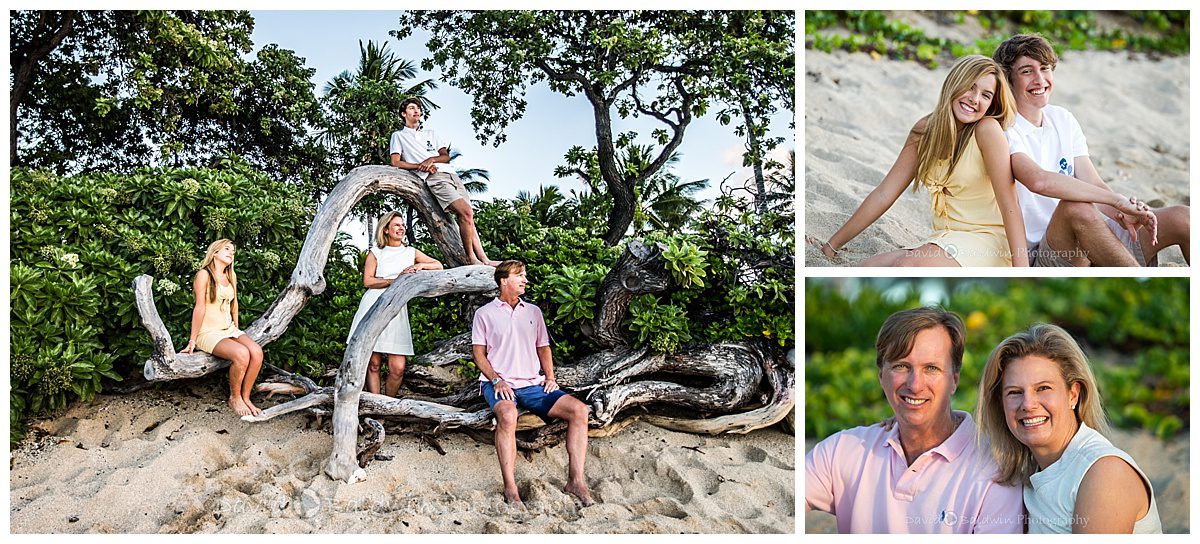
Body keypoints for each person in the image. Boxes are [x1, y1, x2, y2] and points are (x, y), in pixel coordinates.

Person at [805, 307, 1023, 533]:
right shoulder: (842, 450)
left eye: (931, 368)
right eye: (901, 366)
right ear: (881, 375)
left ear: (954, 379)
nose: (915, 385)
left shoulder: (998, 475)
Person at [807, 55, 1028, 266]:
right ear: (954, 84)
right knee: (867, 267)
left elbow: (1011, 205)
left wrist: (1022, 271)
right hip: (945, 237)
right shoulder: (924, 130)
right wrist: (831, 246)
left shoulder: (987, 130)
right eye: (970, 87)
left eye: (986, 95)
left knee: (908, 265)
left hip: (987, 239)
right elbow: (884, 193)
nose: (974, 99)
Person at [992, 33, 1188, 266]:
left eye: (1045, 68)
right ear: (1007, 79)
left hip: (1096, 232)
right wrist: (1116, 200)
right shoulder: (1004, 128)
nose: (1039, 79)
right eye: (1026, 71)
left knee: (1183, 217)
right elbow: (1039, 181)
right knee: (1074, 206)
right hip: (1049, 251)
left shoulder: (1062, 118)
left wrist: (1122, 211)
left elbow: (1093, 184)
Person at [977, 323, 1162, 533]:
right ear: (1000, 404)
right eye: (1014, 392)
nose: (1028, 404)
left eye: (1043, 388)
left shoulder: (1104, 473)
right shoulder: (1032, 476)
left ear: (1073, 394)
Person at [471, 260, 594, 507]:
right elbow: (479, 354)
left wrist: (550, 377)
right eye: (520, 276)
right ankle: (511, 488)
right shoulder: (484, 313)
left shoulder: (533, 312)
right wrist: (496, 380)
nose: (525, 280)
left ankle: (576, 481)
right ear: (504, 280)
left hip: (533, 384)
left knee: (580, 411)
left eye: (525, 276)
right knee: (507, 415)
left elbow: (543, 347)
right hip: (499, 383)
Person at [390, 97, 499, 266]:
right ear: (404, 113)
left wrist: (431, 160)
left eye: (418, 108)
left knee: (468, 214)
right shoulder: (398, 136)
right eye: (412, 108)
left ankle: (484, 258)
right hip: (434, 178)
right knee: (466, 213)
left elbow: (445, 157)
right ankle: (470, 257)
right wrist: (420, 166)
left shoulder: (430, 134)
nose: (416, 110)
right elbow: (396, 162)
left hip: (451, 175)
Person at [346, 211, 443, 397]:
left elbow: (438, 265)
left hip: (397, 310)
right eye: (397, 225)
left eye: (402, 225)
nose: (401, 228)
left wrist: (419, 266)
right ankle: (375, 402)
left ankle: (387, 403)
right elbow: (368, 281)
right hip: (372, 306)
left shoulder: (410, 252)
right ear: (386, 229)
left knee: (398, 367)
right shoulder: (376, 252)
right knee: (373, 363)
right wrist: (395, 280)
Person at [180, 239, 264, 417]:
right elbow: (199, 308)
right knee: (242, 354)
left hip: (229, 329)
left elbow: (235, 306)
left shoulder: (230, 275)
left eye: (233, 251)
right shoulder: (204, 275)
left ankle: (246, 397)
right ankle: (234, 397)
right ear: (215, 252)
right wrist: (193, 340)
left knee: (256, 352)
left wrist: (237, 333)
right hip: (208, 332)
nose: (231, 253)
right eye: (226, 249)